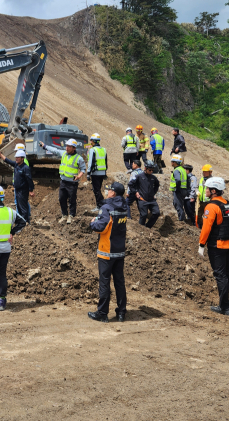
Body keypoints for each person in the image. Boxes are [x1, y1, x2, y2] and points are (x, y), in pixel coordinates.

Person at [198, 177, 229, 316]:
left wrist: (201, 245)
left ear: (213, 191)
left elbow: (206, 228)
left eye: (207, 189)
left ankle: (225, 307)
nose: (205, 191)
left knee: (220, 275)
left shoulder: (211, 206)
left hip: (217, 245)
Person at [88, 182, 128, 323]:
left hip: (106, 251)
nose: (107, 191)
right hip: (119, 251)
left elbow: (102, 227)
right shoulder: (124, 206)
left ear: (113, 193)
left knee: (104, 282)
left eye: (109, 190)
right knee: (119, 282)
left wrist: (93, 222)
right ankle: (121, 312)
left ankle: (103, 313)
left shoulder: (107, 207)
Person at [40, 138, 86, 224]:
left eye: (69, 146)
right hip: (63, 182)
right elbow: (54, 150)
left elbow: (83, 169)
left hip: (72, 183)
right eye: (67, 146)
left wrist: (79, 176)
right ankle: (64, 215)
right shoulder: (64, 154)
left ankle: (71, 216)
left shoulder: (78, 158)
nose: (67, 148)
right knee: (61, 198)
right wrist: (45, 146)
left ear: (74, 148)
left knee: (72, 200)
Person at [0, 148, 34, 223]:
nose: (16, 158)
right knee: (19, 207)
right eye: (16, 157)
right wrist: (0, 154)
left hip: (23, 191)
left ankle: (25, 222)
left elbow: (29, 180)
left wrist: (31, 190)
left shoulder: (25, 168)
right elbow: (7, 160)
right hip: (17, 190)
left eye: (18, 157)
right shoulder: (16, 165)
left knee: (23, 207)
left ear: (22, 158)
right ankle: (21, 222)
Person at [129, 160, 161, 228]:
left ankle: (148, 227)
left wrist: (154, 192)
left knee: (157, 213)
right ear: (145, 168)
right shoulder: (139, 176)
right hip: (142, 199)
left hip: (151, 200)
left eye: (153, 170)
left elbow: (157, 185)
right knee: (143, 215)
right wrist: (136, 192)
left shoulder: (153, 178)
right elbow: (131, 184)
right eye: (150, 170)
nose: (151, 171)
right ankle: (141, 229)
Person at [87, 133, 107, 209]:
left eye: (91, 140)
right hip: (102, 172)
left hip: (95, 173)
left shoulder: (92, 150)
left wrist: (88, 173)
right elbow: (105, 161)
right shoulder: (103, 149)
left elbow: (90, 162)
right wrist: (105, 173)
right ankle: (101, 204)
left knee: (96, 190)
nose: (90, 142)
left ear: (93, 141)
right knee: (98, 189)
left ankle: (100, 205)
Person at [170, 154, 188, 221]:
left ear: (174, 162)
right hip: (183, 190)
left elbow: (178, 180)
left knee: (178, 205)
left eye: (172, 161)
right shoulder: (182, 169)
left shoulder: (177, 170)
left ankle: (181, 220)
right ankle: (182, 218)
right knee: (178, 204)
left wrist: (177, 189)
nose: (171, 162)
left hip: (179, 190)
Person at [196, 164, 213, 230]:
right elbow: (196, 187)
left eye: (205, 172)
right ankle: (202, 227)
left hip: (209, 202)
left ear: (210, 172)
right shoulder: (201, 179)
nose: (204, 173)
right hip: (201, 201)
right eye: (203, 171)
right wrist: (197, 191)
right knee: (198, 215)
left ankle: (209, 228)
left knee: (208, 216)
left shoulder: (212, 180)